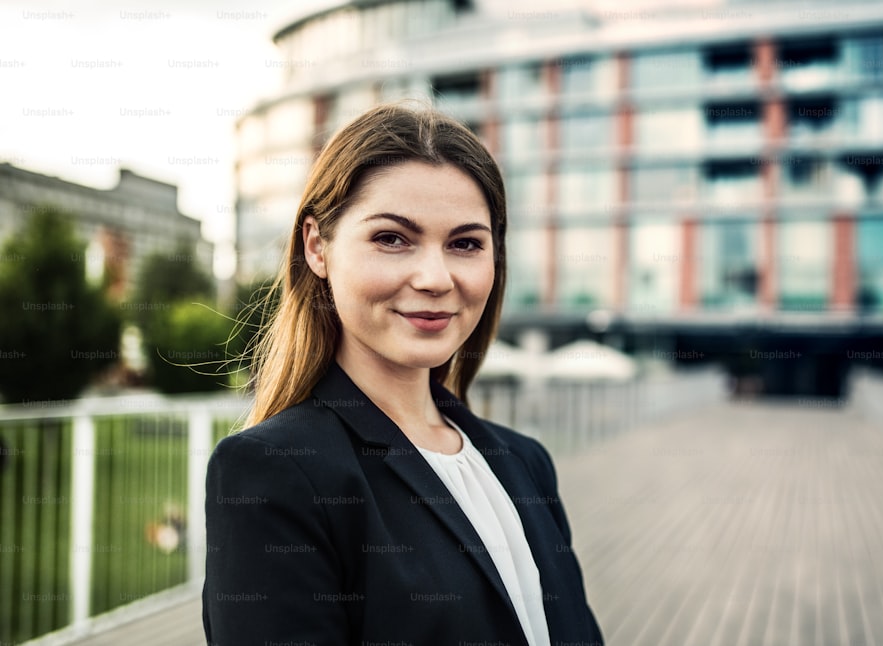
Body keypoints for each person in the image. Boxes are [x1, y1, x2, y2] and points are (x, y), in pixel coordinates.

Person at [202, 103, 603, 646]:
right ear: (317, 246)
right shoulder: (274, 472)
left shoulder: (526, 462)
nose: (436, 278)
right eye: (392, 238)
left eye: (465, 243)